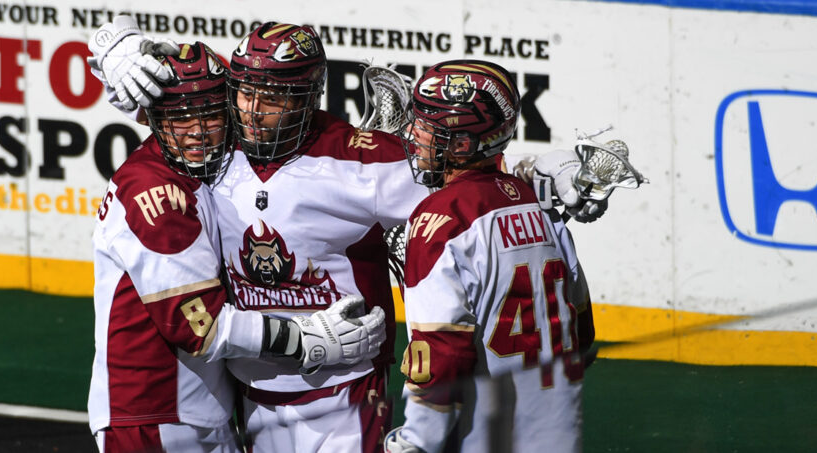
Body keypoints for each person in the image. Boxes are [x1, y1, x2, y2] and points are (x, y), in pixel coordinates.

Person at [87, 40, 386, 453]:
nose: (196, 130)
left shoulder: (199, 163)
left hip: (190, 410)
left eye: (210, 114)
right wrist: (307, 339)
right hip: (156, 416)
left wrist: (118, 48)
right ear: (154, 118)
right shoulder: (154, 190)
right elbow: (199, 327)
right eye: (179, 117)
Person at [383, 60, 592, 453]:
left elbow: (441, 354)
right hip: (559, 431)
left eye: (428, 127)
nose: (412, 133)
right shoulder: (541, 205)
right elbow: (581, 330)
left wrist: (415, 441)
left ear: (461, 145)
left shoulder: (441, 220)